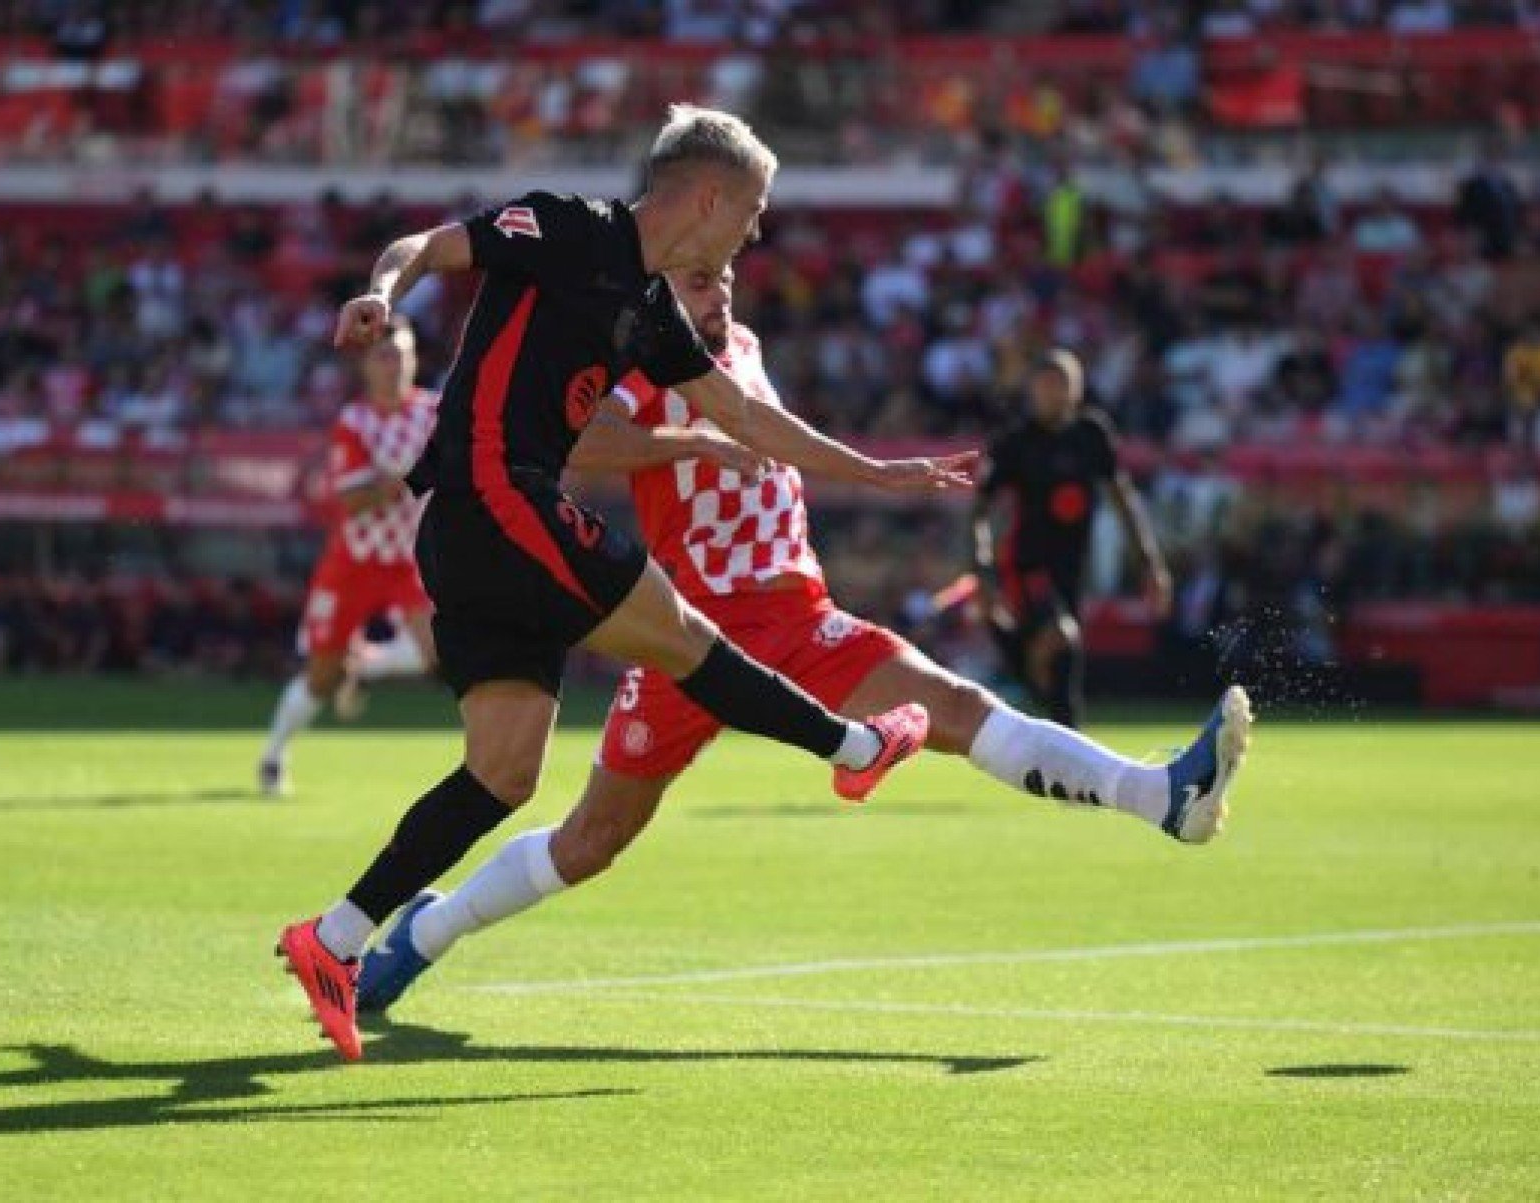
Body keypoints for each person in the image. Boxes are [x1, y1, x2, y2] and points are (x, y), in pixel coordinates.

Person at [352, 264, 1254, 1014]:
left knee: (956, 706)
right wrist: (688, 444)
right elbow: (577, 438)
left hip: (798, 614)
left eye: (725, 275)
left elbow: (782, 437)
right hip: (686, 634)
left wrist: (875, 472)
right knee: (592, 838)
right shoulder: (643, 359)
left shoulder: (742, 348)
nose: (720, 289)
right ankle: (429, 929)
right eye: (699, 278)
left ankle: (1159, 795)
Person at [276, 105, 972, 1062]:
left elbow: (746, 417)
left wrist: (878, 472)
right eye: (753, 212)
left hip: (478, 537)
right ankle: (855, 746)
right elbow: (426, 246)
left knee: (504, 772)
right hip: (495, 497)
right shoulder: (569, 227)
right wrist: (381, 292)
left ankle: (334, 937)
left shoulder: (652, 312)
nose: (754, 234)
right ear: (710, 197)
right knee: (682, 635)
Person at [258, 317, 439, 797]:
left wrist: (400, 478)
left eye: (401, 354)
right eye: (384, 356)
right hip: (353, 561)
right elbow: (354, 499)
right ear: (366, 366)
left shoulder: (435, 413)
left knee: (438, 651)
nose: (394, 365)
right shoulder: (354, 421)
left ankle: (362, 666)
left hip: (408, 560)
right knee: (320, 676)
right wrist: (411, 475)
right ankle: (273, 754)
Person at [971, 349, 1172, 729]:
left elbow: (1122, 498)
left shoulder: (1091, 435)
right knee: (1062, 635)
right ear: (1031, 389)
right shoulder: (1015, 442)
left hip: (1073, 566)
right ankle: (1025, 670)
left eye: (1061, 383)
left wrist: (1150, 563)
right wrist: (981, 568)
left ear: (1076, 388)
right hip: (1026, 562)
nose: (1053, 392)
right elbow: (980, 510)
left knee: (1065, 668)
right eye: (1045, 384)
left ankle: (1062, 734)